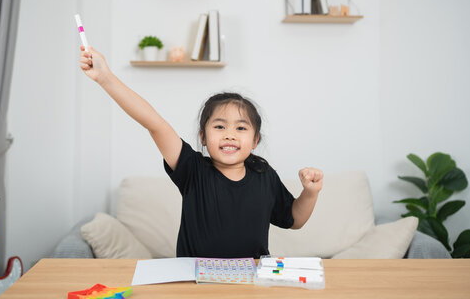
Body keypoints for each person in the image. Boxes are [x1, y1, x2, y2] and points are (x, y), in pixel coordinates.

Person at [79, 46, 323, 258]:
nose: (230, 134)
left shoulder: (264, 174)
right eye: (219, 126)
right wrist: (106, 78)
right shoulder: (193, 169)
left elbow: (294, 219)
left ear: (255, 140)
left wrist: (310, 193)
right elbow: (155, 125)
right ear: (203, 138)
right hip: (195, 281)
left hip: (251, 282)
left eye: (241, 127)